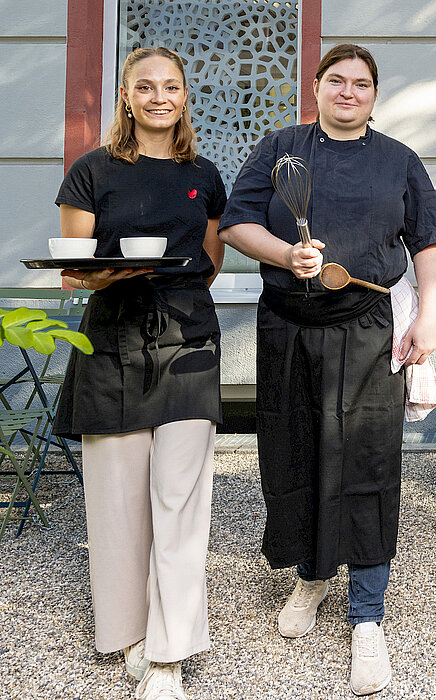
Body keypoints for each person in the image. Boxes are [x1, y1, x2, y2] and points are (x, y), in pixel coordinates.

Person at [218, 43, 436, 695]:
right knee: (296, 453)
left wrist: (428, 316)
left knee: (368, 462)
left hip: (367, 331)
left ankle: (368, 616)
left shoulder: (398, 162)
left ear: (374, 96)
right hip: (288, 330)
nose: (349, 92)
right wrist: (288, 254)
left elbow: (428, 243)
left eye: (363, 84)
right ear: (316, 86)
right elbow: (236, 225)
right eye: (337, 81)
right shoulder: (281, 148)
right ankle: (312, 578)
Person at [53, 47, 226, 700]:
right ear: (125, 96)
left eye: (171, 87)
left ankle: (167, 658)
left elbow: (206, 263)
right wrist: (114, 271)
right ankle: (128, 637)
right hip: (111, 339)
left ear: (184, 97)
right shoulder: (92, 171)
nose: (159, 97)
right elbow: (74, 264)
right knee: (118, 503)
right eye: (145, 87)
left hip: (187, 341)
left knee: (180, 504)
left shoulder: (204, 174)